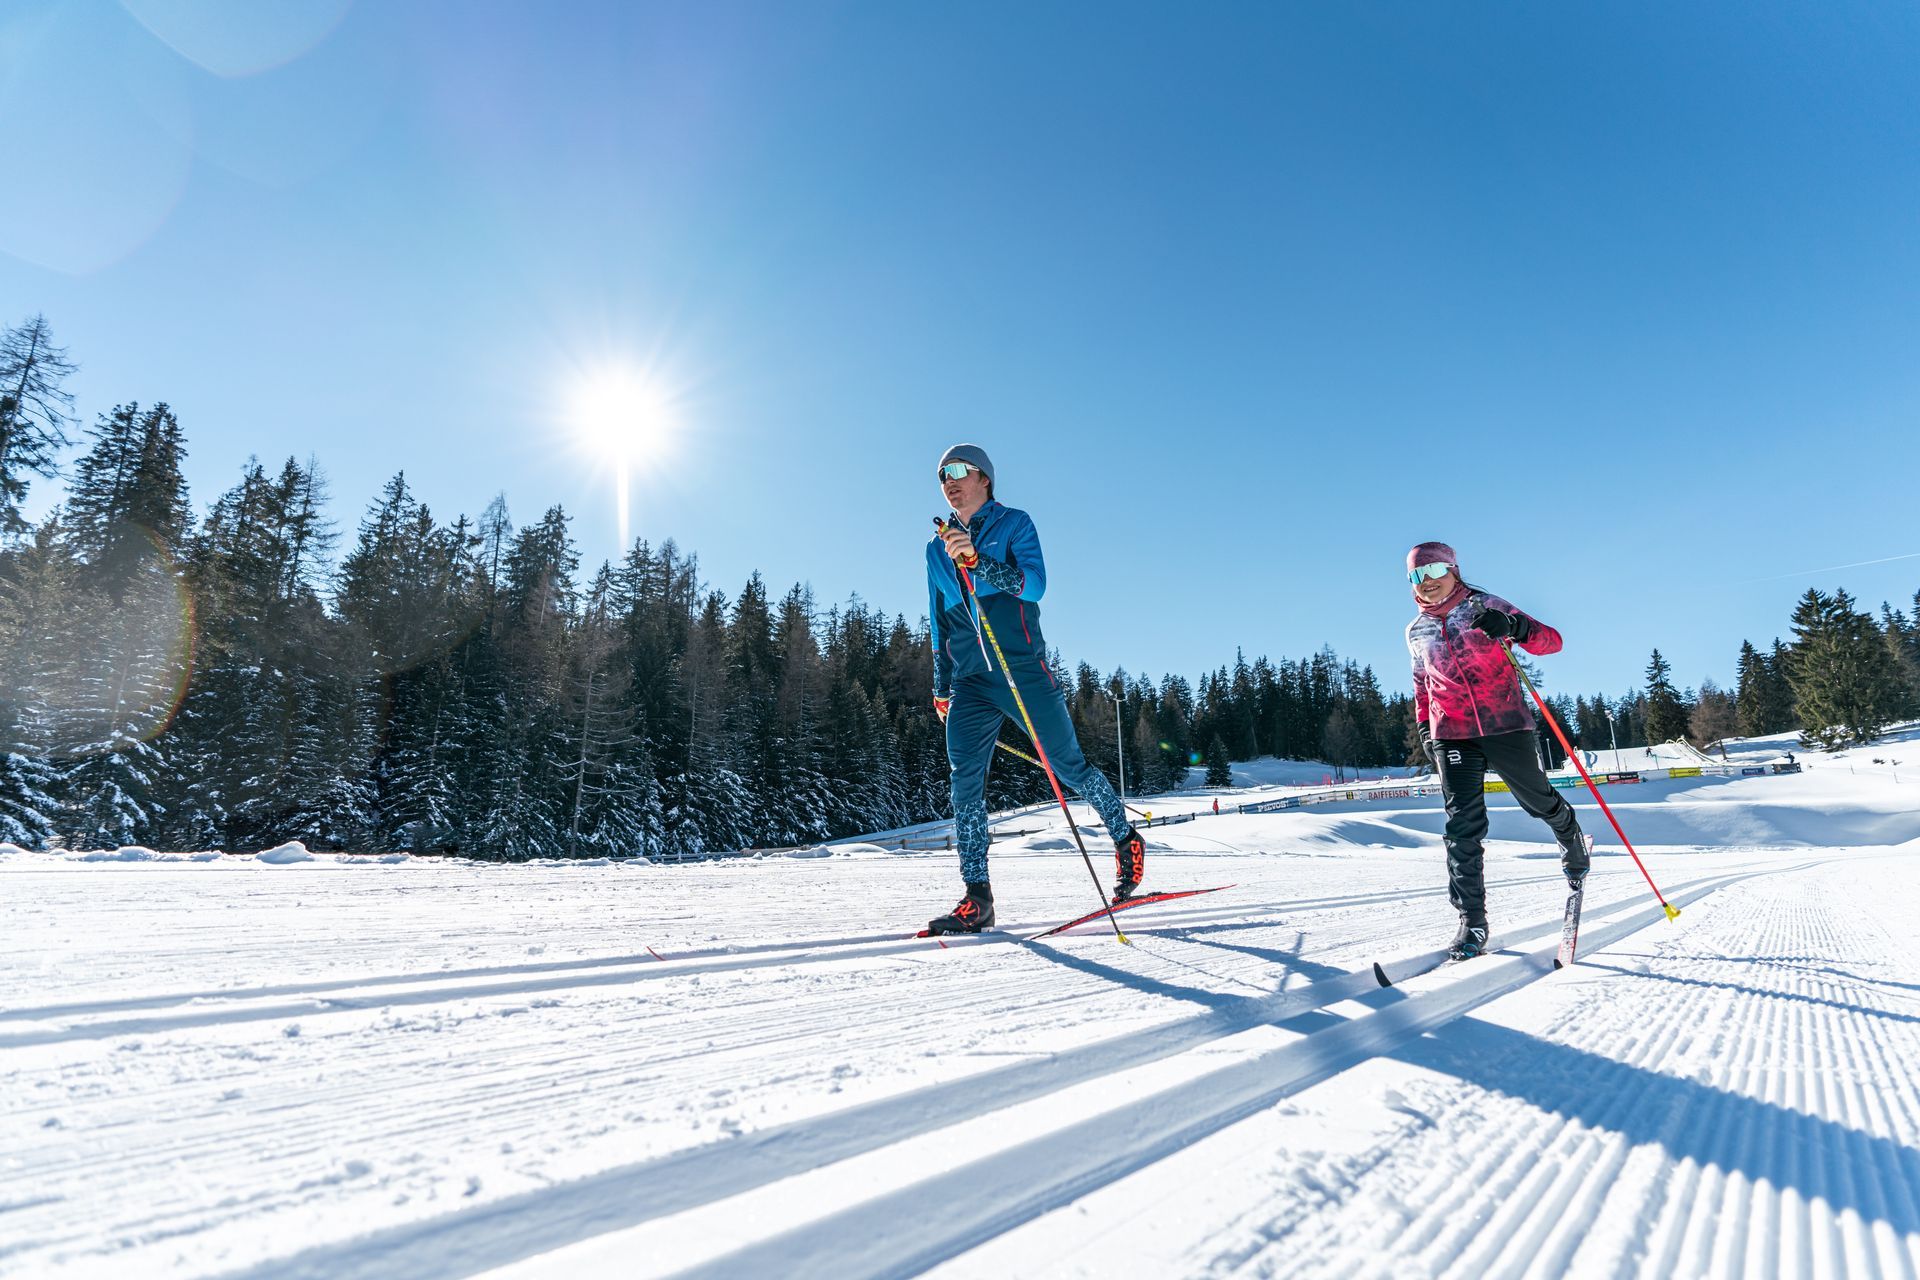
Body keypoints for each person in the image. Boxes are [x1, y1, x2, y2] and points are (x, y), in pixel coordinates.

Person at [924, 444, 1146, 934]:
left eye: (959, 470)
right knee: (965, 788)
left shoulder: (1015, 524)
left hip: (1020, 669)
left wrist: (979, 561)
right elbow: (939, 620)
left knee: (1068, 767)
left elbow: (1035, 585)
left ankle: (1124, 836)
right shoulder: (934, 548)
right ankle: (977, 897)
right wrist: (941, 685)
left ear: (986, 479)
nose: (949, 480)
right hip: (969, 682)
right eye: (942, 474)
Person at [1406, 541, 1590, 960]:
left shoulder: (1485, 606)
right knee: (1462, 827)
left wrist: (1514, 626)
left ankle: (1568, 830)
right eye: (1417, 575)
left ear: (1454, 569)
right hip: (1451, 734)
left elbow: (1552, 642)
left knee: (1535, 800)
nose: (1427, 582)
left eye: (1434, 570)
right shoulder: (1416, 630)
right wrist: (1425, 729)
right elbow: (1422, 684)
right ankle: (1472, 921)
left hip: (1504, 724)